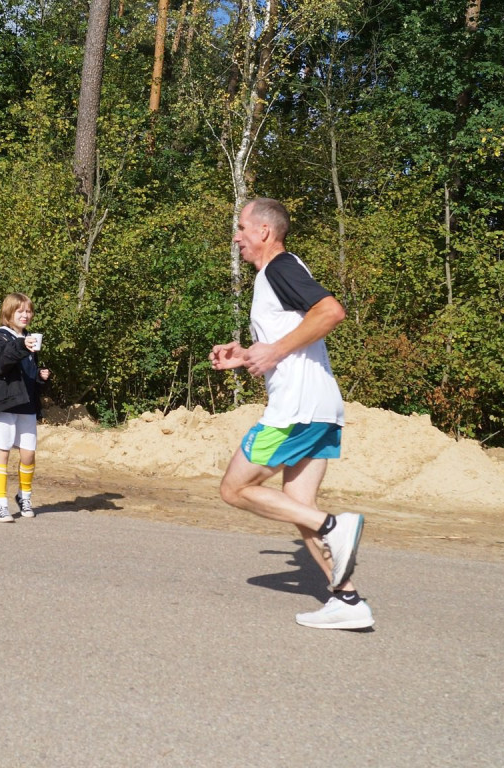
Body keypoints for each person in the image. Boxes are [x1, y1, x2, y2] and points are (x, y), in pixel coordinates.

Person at [209, 198, 374, 630]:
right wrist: (246, 355)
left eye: (242, 227)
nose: (237, 236)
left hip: (295, 409)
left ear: (264, 231)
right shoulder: (275, 277)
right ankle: (348, 600)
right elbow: (286, 341)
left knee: (234, 489)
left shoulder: (280, 268)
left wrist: (276, 349)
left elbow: (331, 311)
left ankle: (336, 525)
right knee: (298, 507)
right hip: (320, 406)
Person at [0, 293, 51, 522]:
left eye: (28, 311)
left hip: (26, 403)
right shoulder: (0, 337)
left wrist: (40, 377)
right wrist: (21, 345)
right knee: (3, 451)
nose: (25, 315)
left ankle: (24, 496)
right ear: (9, 313)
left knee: (28, 454)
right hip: (4, 403)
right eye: (20, 311)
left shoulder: (28, 338)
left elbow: (24, 374)